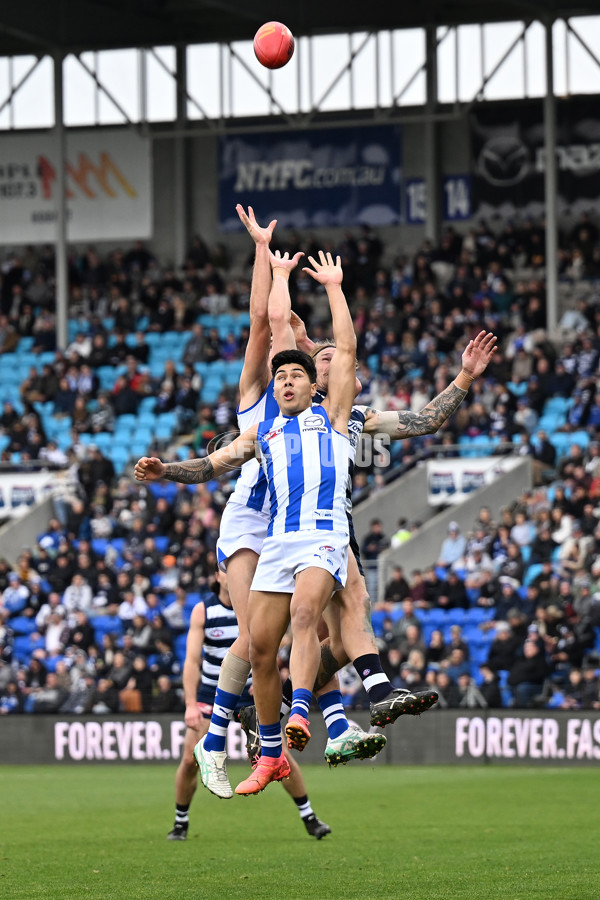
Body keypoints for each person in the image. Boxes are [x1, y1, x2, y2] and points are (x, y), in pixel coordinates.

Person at [136, 250, 389, 795]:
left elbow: (344, 350)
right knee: (258, 644)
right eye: (287, 373)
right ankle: (254, 743)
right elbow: (210, 464)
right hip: (264, 531)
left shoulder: (338, 419)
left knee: (312, 625)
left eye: (302, 372)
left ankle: (306, 726)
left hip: (316, 534)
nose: (293, 379)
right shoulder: (261, 427)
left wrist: (333, 287)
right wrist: (166, 471)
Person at [167, 568, 330, 841]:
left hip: (252, 696)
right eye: (224, 570)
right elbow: (192, 661)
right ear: (217, 576)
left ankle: (309, 816)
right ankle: (180, 822)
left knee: (279, 755)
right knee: (189, 758)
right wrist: (191, 704)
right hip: (212, 693)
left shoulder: (259, 601)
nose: (232, 574)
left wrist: (265, 683)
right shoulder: (203, 611)